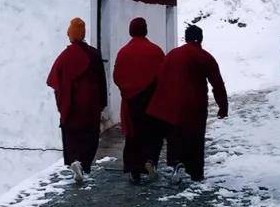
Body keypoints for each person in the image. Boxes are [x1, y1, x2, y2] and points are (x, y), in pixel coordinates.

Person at [147, 23, 228, 183]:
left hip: (168, 104)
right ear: (200, 39)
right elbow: (217, 84)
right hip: (194, 106)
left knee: (174, 136)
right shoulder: (205, 57)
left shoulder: (172, 54)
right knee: (195, 138)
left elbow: (159, 75)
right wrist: (223, 106)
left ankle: (176, 164)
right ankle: (195, 173)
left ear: (186, 38)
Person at [46, 17, 108, 185]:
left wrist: (62, 99)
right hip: (90, 104)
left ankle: (74, 160)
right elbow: (102, 79)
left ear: (71, 34)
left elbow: (53, 79)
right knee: (90, 135)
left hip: (71, 104)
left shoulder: (65, 56)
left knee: (71, 134)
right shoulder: (94, 54)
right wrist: (103, 101)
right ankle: (84, 164)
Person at [113, 17, 165, 184]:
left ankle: (134, 171)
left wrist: (126, 90)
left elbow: (116, 76)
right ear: (145, 30)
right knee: (153, 134)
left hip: (130, 101)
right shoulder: (156, 51)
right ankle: (150, 161)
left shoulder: (123, 52)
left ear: (130, 31)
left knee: (133, 136)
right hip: (151, 100)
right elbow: (163, 75)